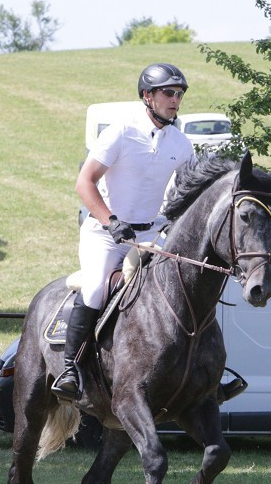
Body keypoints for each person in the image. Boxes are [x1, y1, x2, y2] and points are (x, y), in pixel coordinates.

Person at [51, 63, 195, 401]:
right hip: (106, 233)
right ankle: (72, 368)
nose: (175, 100)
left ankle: (202, 367)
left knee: (188, 285)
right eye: (168, 93)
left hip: (151, 235)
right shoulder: (120, 131)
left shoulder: (182, 144)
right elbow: (84, 183)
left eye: (179, 94)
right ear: (147, 96)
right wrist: (110, 220)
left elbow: (187, 193)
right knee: (97, 286)